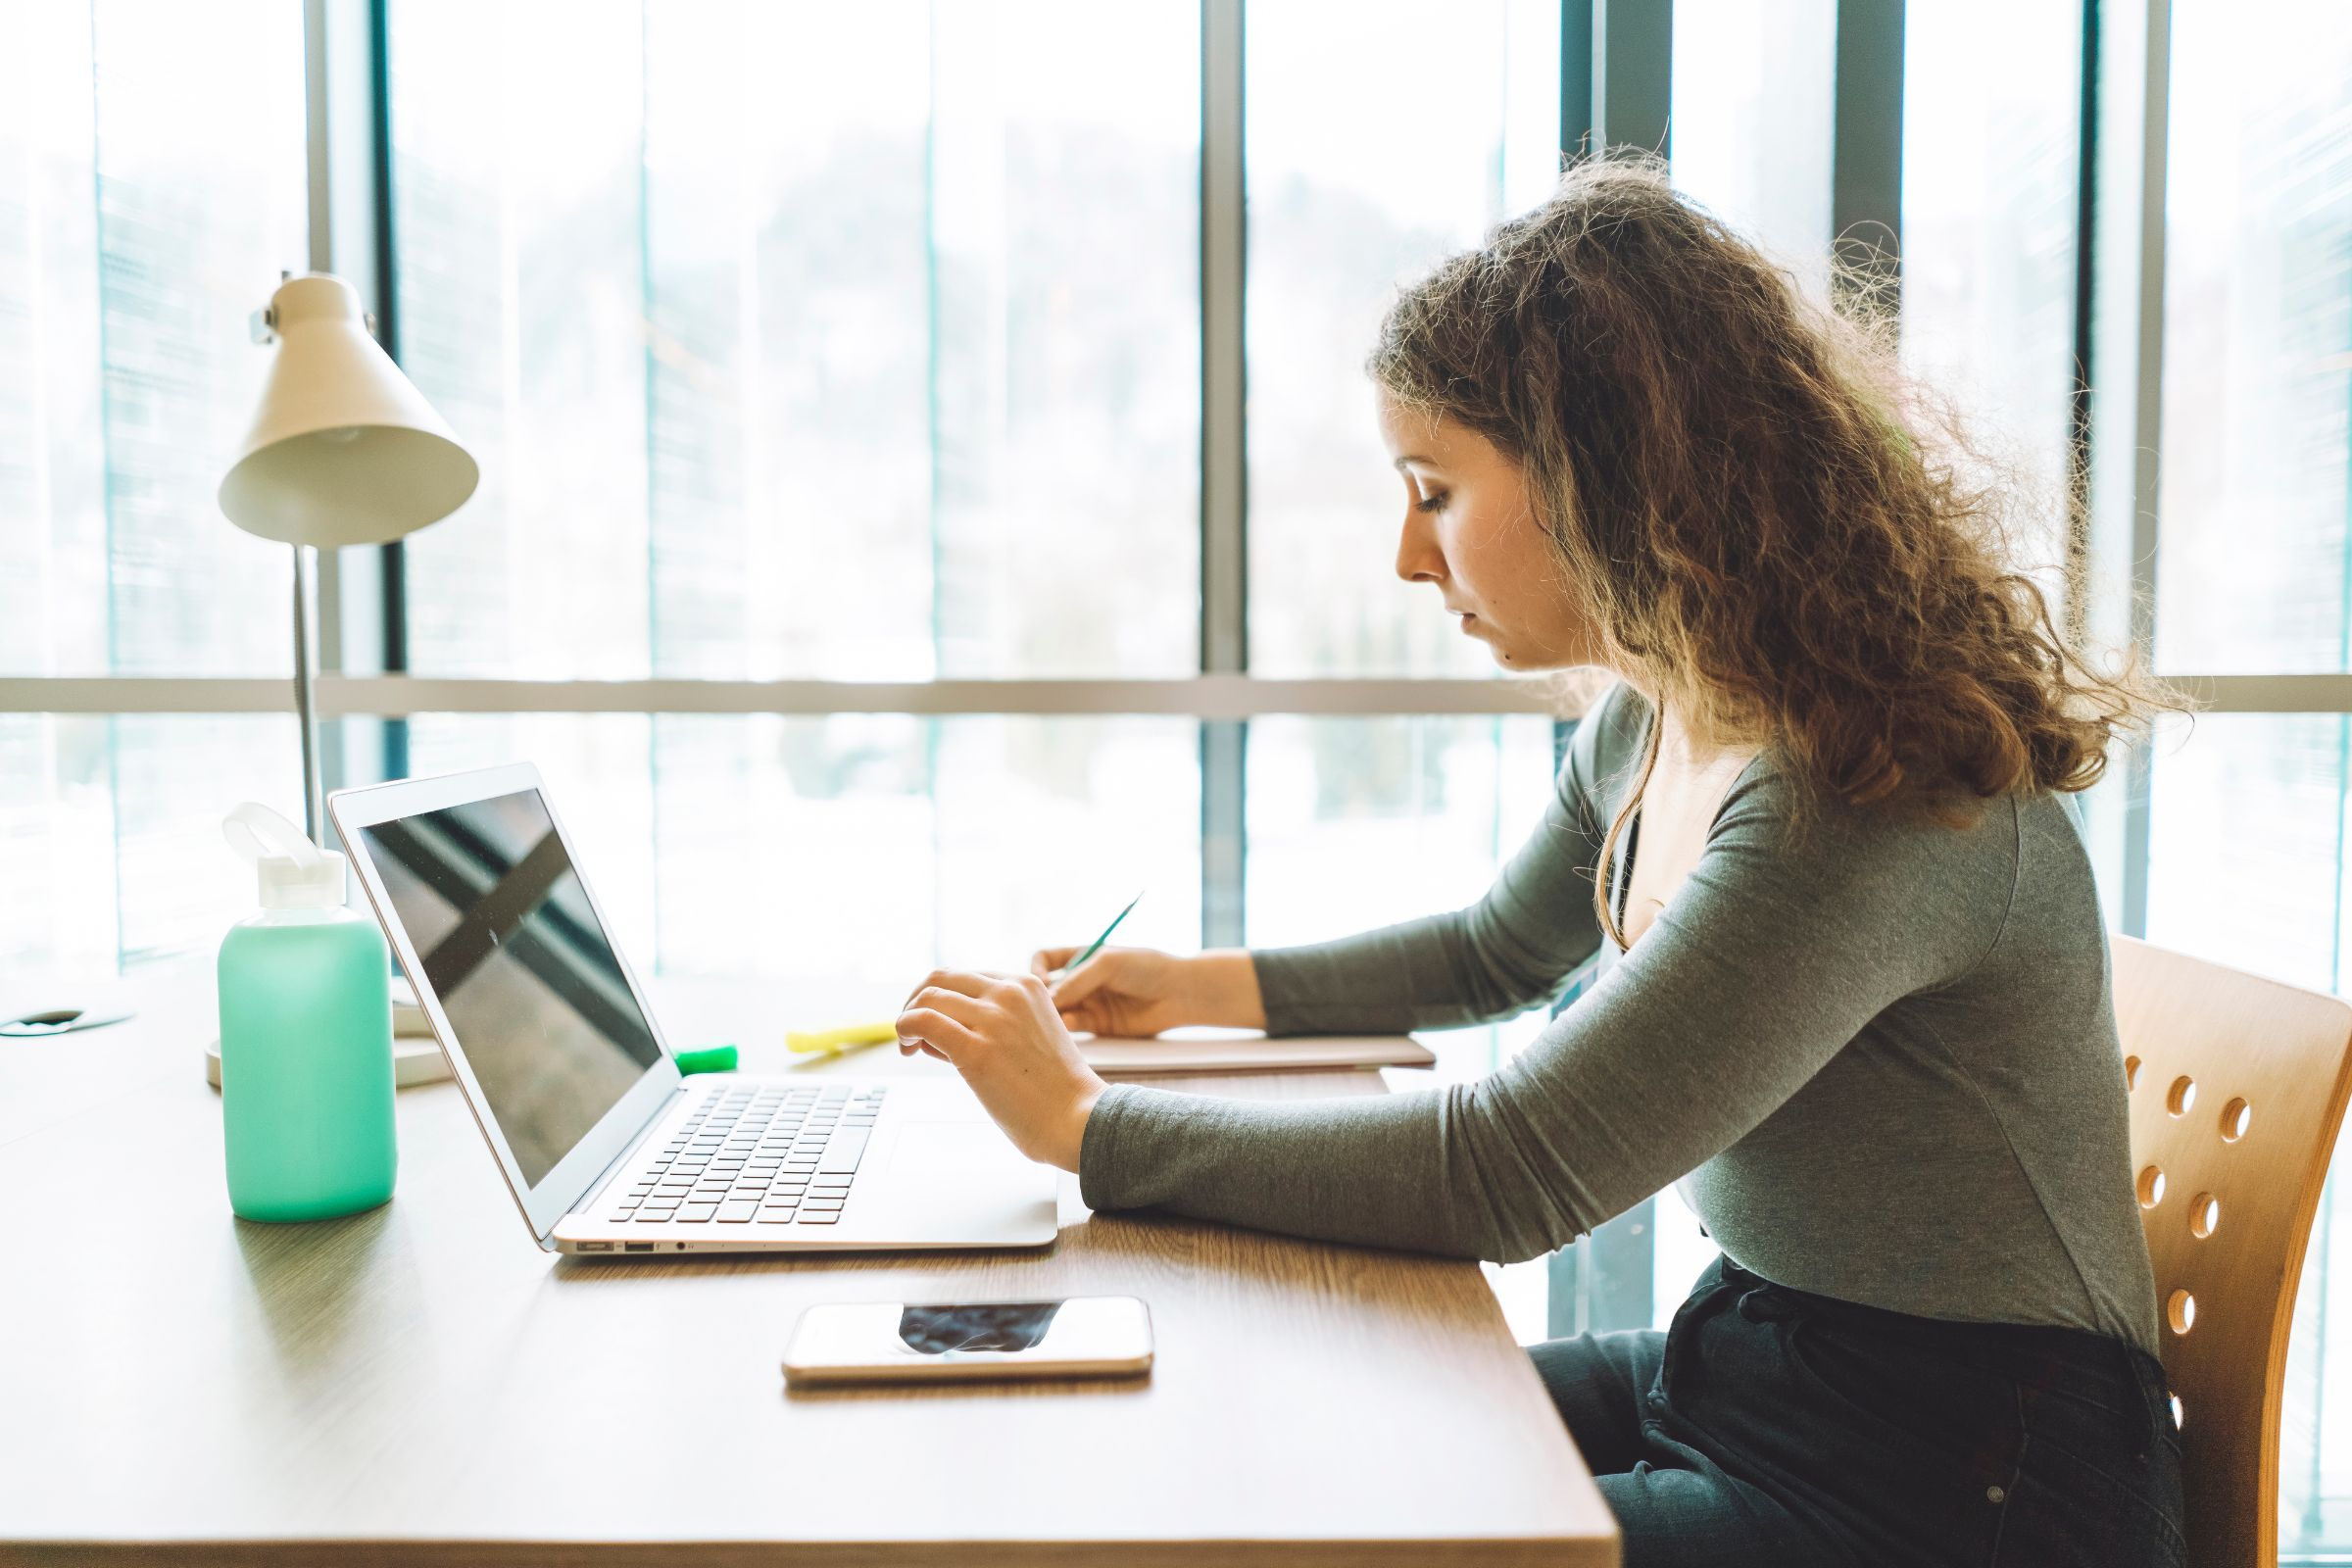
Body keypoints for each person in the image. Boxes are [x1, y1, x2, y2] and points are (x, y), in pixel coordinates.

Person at [892, 156, 2185, 1567]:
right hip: (1753, 1361)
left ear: (1605, 476)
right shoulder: (1658, 717)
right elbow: (1491, 955)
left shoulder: (1859, 797)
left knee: (1350, 1536)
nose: (1406, 555)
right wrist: (1187, 988)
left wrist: (1086, 1128)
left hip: (1961, 1476)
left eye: (1433, 490)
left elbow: (1509, 1176)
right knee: (1288, 1430)